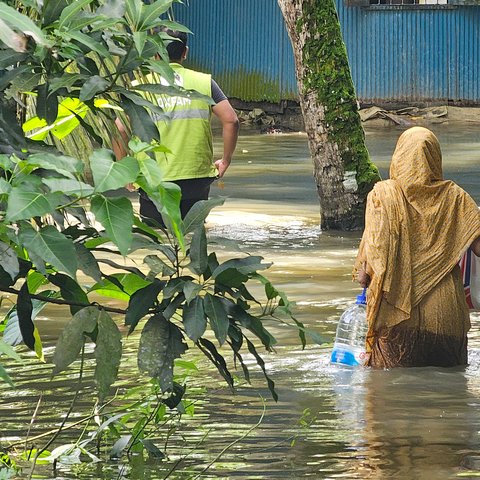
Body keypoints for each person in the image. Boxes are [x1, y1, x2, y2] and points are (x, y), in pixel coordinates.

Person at [353, 126, 480, 368]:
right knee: (449, 393)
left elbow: (365, 272)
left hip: (396, 319)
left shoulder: (383, 195)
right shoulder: (455, 197)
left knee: (389, 399)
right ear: (435, 158)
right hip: (446, 317)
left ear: (399, 156)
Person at [116, 29, 239, 225]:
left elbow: (120, 129)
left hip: (154, 179)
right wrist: (225, 160)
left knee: (157, 240)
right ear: (185, 52)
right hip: (196, 179)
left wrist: (125, 173)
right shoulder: (204, 82)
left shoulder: (138, 87)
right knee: (192, 238)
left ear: (155, 53)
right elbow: (231, 120)